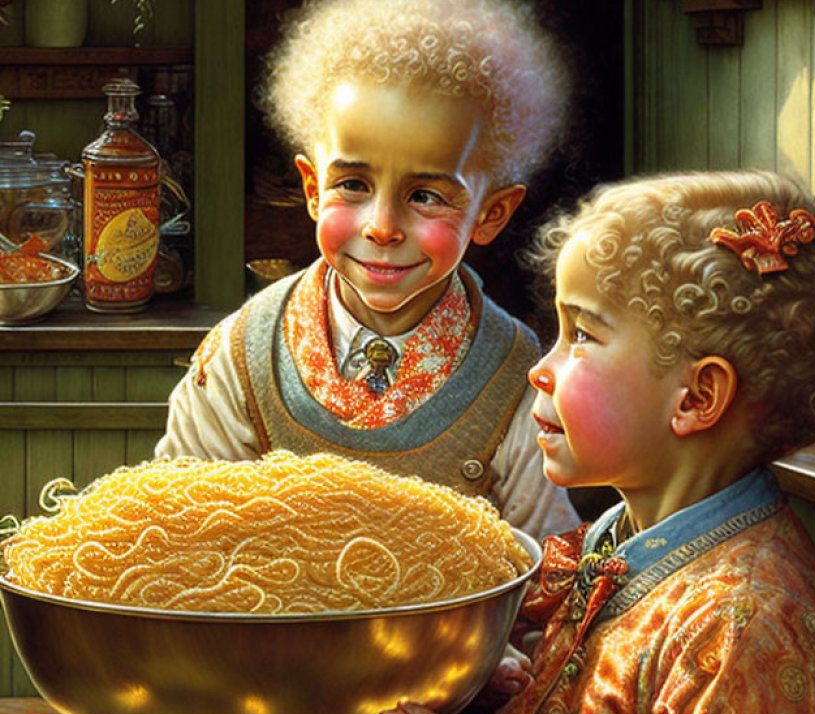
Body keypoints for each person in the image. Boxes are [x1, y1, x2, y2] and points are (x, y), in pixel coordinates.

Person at [340, 169, 815, 714]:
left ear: (698, 397)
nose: (542, 369)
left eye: (583, 336)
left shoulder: (744, 627)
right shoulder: (622, 537)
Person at [155, 0, 580, 538]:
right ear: (312, 190)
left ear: (491, 214)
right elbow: (179, 530)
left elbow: (542, 574)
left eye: (425, 195)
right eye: (352, 185)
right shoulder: (241, 357)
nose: (382, 227)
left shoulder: (517, 379)